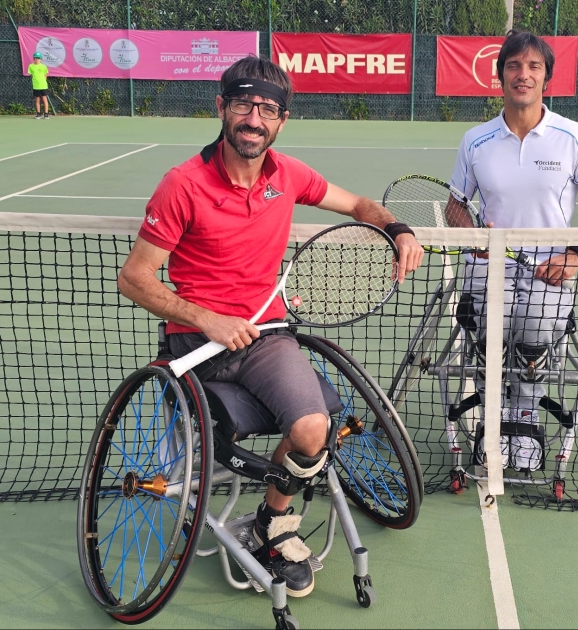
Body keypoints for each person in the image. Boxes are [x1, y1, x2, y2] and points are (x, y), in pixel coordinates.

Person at [117, 55, 423, 598]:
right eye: (243, 104)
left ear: (281, 121)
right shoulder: (182, 185)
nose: (254, 119)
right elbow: (136, 279)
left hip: (264, 338)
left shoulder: (290, 175)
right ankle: (274, 508)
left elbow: (357, 204)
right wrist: (207, 318)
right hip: (193, 348)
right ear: (222, 107)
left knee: (312, 430)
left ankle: (271, 522)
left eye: (268, 109)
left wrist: (397, 227)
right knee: (243, 432)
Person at [448, 29, 578, 472]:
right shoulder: (475, 140)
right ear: (500, 75)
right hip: (490, 266)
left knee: (533, 340)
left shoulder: (573, 137)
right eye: (513, 66)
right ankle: (493, 417)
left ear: (547, 77)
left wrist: (572, 257)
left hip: (551, 271)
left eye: (533, 67)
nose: (522, 75)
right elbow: (455, 206)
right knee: (489, 343)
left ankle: (523, 419)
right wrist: (473, 236)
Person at [28, 52, 50, 119]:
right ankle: (38, 114)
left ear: (41, 59)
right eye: (36, 58)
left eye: (38, 58)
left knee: (44, 99)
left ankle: (46, 114)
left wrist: (42, 82)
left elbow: (45, 75)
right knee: (37, 100)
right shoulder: (31, 66)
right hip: (36, 86)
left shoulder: (43, 66)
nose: (37, 59)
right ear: (33, 59)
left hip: (43, 86)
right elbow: (31, 75)